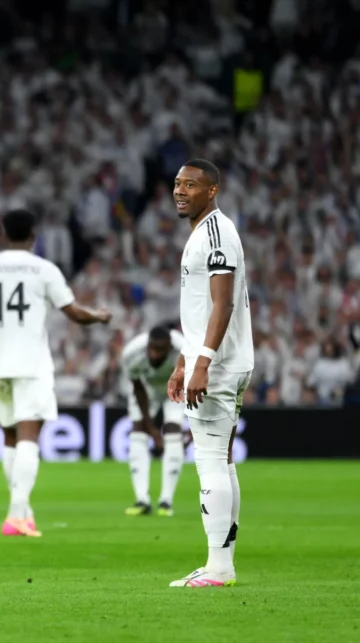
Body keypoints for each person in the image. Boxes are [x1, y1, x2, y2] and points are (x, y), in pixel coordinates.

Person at [0, 209, 112, 538]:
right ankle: (16, 515)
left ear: (2, 235)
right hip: (32, 365)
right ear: (34, 237)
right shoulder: (44, 269)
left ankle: (23, 513)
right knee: (30, 437)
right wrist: (99, 316)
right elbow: (73, 313)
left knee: (11, 438)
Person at [167, 159, 254, 588]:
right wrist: (185, 358)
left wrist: (201, 363)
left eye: (192, 185)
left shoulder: (217, 232)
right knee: (223, 459)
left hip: (218, 365)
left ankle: (218, 567)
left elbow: (223, 304)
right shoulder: (203, 232)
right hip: (215, 359)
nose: (181, 191)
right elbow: (201, 308)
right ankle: (221, 563)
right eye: (178, 184)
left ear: (212, 190)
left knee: (209, 461)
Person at [120, 325, 188, 517]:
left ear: (170, 347)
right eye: (152, 349)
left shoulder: (184, 349)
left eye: (161, 350)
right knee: (138, 431)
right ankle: (142, 500)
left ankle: (166, 501)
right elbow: (138, 388)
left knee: (174, 433)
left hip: (175, 388)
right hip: (146, 389)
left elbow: (194, 381)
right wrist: (152, 429)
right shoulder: (131, 354)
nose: (155, 355)